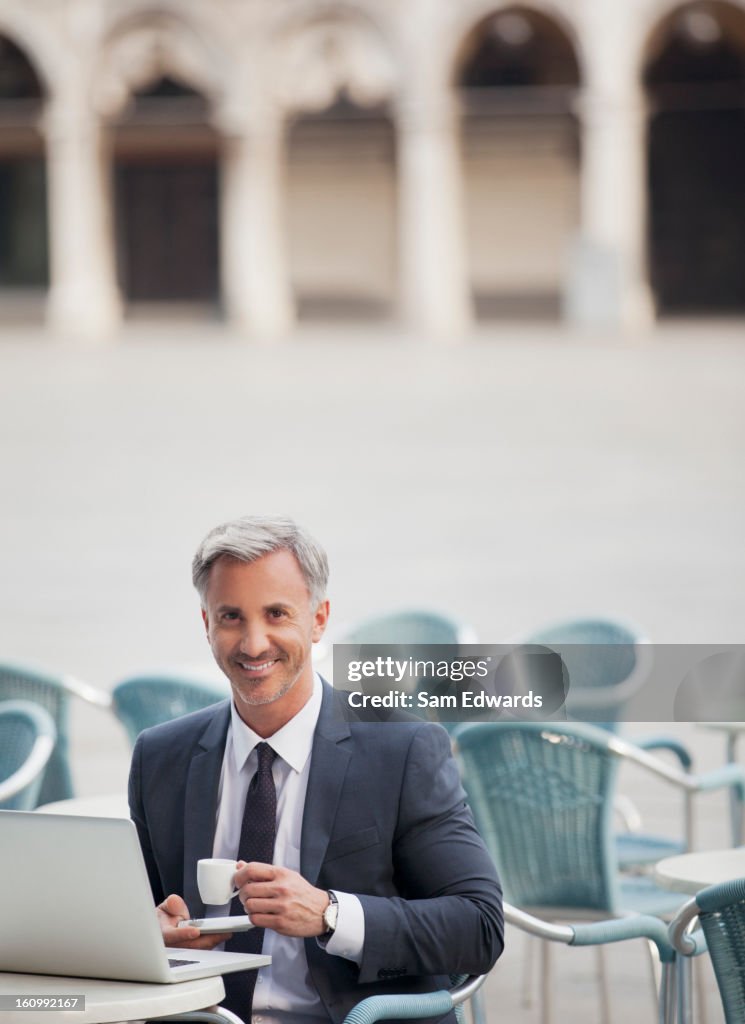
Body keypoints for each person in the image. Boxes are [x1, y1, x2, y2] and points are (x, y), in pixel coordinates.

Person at [129, 515, 503, 1024]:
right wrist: (149, 935)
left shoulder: (403, 749)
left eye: (277, 614)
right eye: (231, 617)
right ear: (207, 624)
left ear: (319, 619)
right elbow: (142, 919)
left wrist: (330, 914)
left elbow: (479, 928)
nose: (253, 643)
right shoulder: (161, 756)